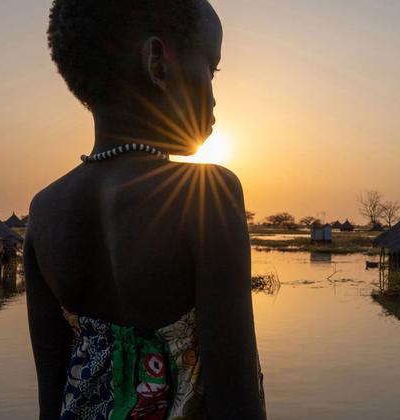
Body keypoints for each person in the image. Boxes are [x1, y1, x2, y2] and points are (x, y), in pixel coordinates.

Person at [24, 1, 266, 419]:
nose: (213, 96)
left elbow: (51, 400)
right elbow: (238, 402)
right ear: (157, 63)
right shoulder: (208, 195)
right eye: (211, 68)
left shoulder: (43, 211)